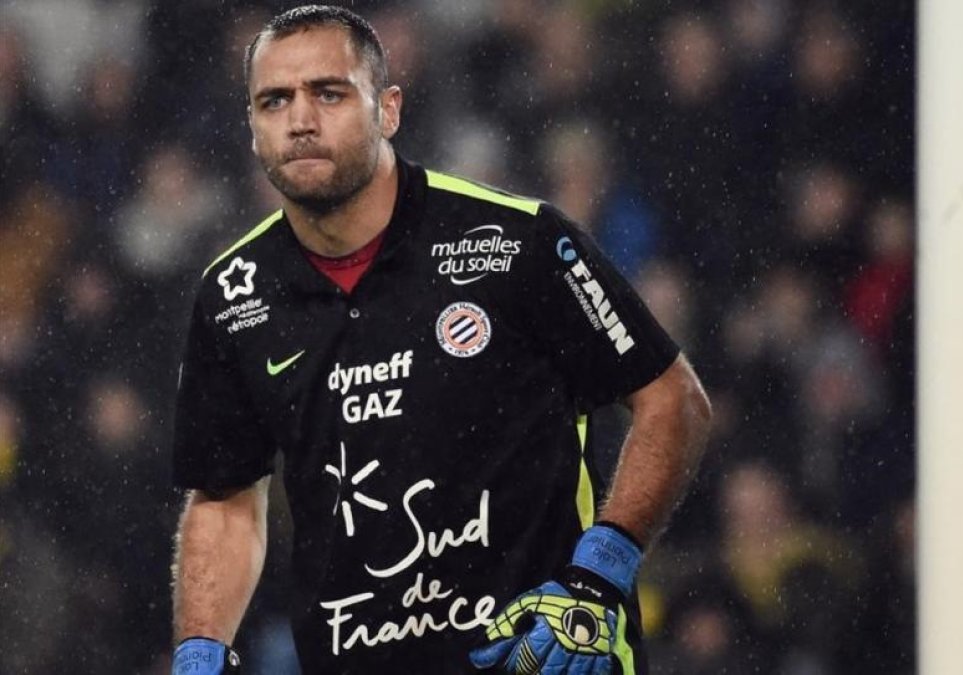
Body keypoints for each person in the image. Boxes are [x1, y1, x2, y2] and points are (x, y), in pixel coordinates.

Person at [169, 6, 711, 674]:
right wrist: (197, 654)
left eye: (329, 93)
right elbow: (224, 500)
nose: (300, 120)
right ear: (252, 129)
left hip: (542, 660)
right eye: (274, 100)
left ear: (388, 109)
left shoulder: (518, 241)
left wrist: (599, 576)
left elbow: (672, 397)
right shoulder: (232, 293)